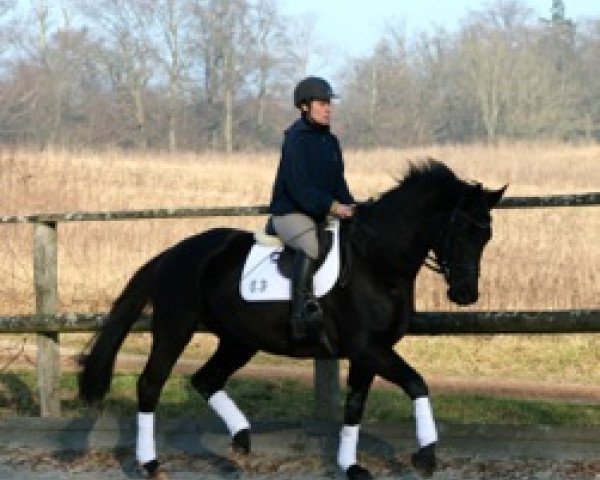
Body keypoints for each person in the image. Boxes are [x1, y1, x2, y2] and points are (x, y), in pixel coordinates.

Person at [268, 76, 355, 347]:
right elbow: (299, 188)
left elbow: (338, 183)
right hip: (291, 212)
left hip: (318, 212)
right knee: (310, 244)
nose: (328, 109)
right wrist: (332, 207)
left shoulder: (331, 142)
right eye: (322, 104)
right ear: (305, 107)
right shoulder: (296, 140)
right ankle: (299, 314)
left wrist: (352, 206)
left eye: (329, 104)